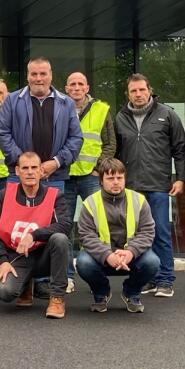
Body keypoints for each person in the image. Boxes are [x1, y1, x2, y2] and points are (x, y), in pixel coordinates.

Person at [0, 57, 82, 299]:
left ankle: (48, 281)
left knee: (53, 228)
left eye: (43, 73)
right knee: (15, 225)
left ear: (51, 75)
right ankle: (20, 276)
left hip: (54, 175)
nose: (38, 78)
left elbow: (76, 139)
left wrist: (55, 162)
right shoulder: (13, 100)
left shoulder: (66, 103)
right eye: (34, 74)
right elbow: (2, 133)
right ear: (27, 76)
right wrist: (25, 164)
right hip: (20, 176)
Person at [114, 73, 185, 298]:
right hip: (131, 188)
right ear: (128, 93)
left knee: (160, 233)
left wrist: (181, 178)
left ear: (149, 90)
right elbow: (115, 153)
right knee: (135, 237)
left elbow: (180, 149)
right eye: (133, 91)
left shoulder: (167, 114)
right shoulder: (120, 118)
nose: (138, 94)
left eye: (142, 90)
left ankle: (165, 280)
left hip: (157, 186)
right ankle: (146, 279)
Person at [0, 151, 72, 319]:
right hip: (17, 256)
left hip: (44, 256)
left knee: (60, 239)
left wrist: (34, 235)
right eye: (25, 168)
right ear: (17, 171)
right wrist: (3, 261)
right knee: (5, 293)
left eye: (34, 168)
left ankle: (57, 297)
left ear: (41, 171)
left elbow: (65, 225)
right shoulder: (3, 195)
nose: (30, 172)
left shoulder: (54, 195)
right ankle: (25, 284)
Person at [76, 158, 159, 313]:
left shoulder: (139, 200)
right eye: (110, 178)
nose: (116, 182)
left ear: (124, 179)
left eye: (119, 178)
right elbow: (86, 235)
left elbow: (147, 231)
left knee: (152, 262)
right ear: (101, 181)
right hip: (102, 257)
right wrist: (107, 255)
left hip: (130, 256)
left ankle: (131, 292)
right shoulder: (90, 203)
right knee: (83, 262)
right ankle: (101, 293)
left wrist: (130, 252)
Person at [63, 71, 117, 294]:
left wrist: (99, 168)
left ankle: (98, 272)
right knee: (64, 228)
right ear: (66, 89)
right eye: (72, 84)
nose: (76, 88)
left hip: (90, 177)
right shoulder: (59, 108)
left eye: (80, 84)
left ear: (87, 88)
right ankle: (67, 276)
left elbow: (110, 143)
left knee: (98, 225)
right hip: (65, 176)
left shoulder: (101, 109)